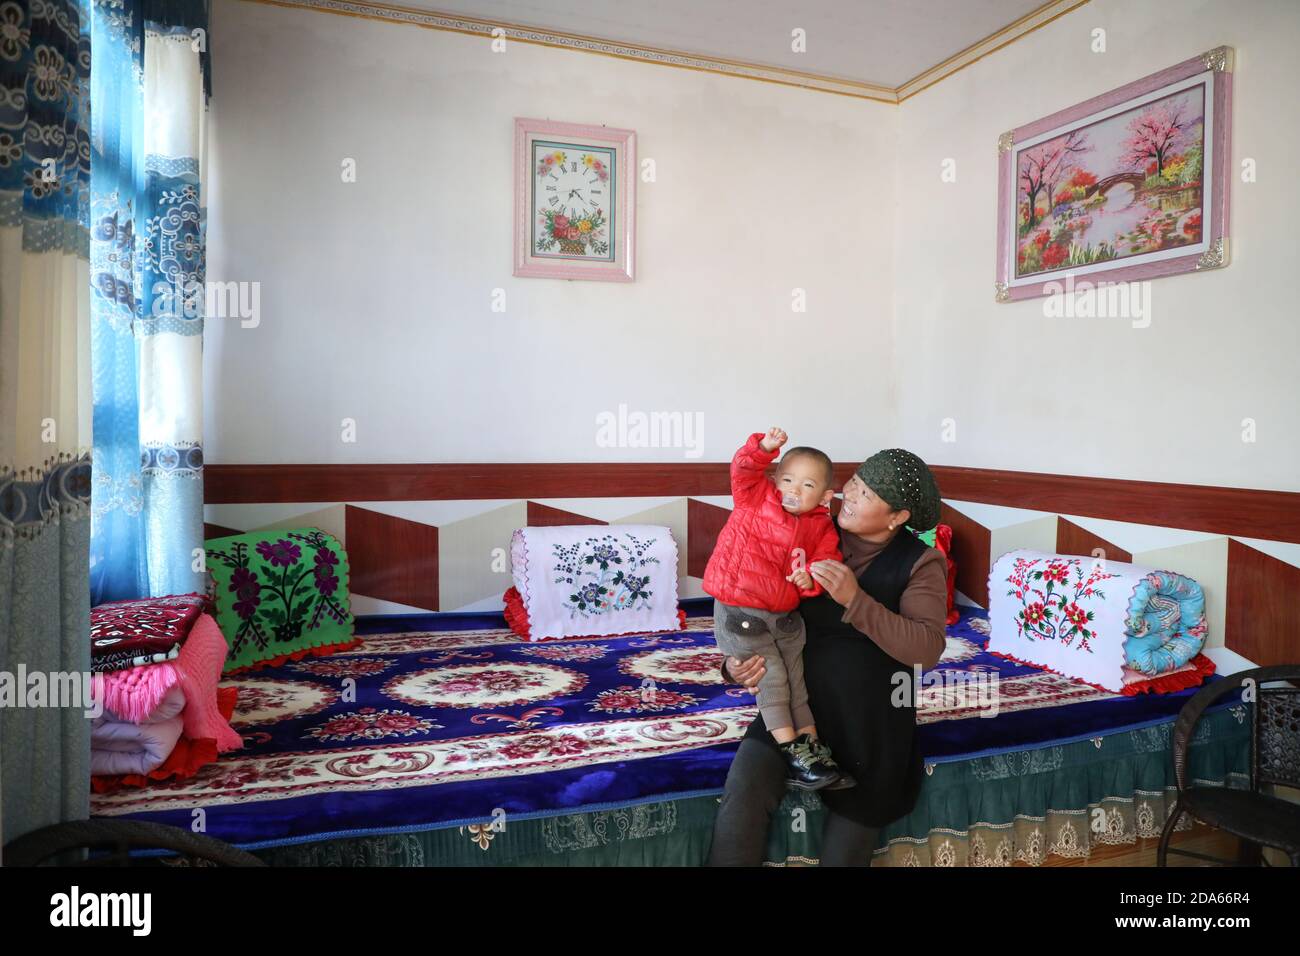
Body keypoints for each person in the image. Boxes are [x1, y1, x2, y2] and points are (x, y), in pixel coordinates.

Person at [707, 448, 950, 866]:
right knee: (744, 791)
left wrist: (856, 600)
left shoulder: (919, 561)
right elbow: (754, 610)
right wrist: (733, 667)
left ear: (898, 517)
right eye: (855, 481)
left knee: (848, 844)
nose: (851, 494)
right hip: (797, 710)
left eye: (868, 492)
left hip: (871, 725)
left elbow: (926, 649)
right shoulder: (810, 531)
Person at [702, 427, 850, 790]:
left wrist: (811, 582)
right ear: (774, 478)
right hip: (740, 609)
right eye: (787, 479)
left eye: (807, 486)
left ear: (827, 495)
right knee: (772, 678)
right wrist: (763, 448)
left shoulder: (822, 527)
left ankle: (814, 748)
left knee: (797, 682)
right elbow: (742, 469)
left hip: (784, 614)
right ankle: (792, 750)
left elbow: (825, 562)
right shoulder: (756, 497)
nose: (794, 490)